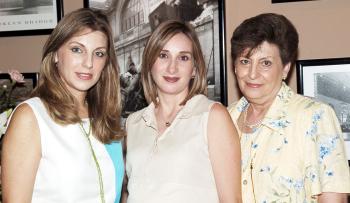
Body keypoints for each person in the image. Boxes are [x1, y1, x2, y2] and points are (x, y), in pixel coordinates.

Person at [1, 8, 124, 203]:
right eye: (77, 49)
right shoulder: (31, 117)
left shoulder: (106, 119)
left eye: (99, 53)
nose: (89, 63)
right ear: (56, 54)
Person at [228, 13, 350, 202]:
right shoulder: (224, 119)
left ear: (285, 68)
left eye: (265, 63)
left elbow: (334, 198)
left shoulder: (314, 117)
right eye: (245, 61)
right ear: (235, 66)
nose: (252, 74)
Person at [125, 20, 242, 202]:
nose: (172, 67)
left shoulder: (212, 116)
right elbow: (131, 190)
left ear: (194, 69)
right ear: (149, 63)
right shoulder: (133, 123)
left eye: (183, 57)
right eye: (163, 55)